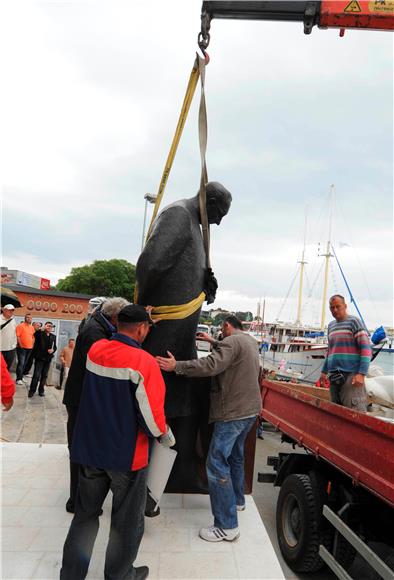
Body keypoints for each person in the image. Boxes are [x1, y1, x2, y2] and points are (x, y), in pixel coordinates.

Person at [60, 304, 173, 580]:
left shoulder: (95, 351)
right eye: (147, 326)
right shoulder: (144, 362)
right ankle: (120, 574)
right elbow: (152, 420)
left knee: (85, 517)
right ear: (141, 329)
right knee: (126, 522)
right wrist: (164, 433)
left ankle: (71, 575)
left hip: (90, 449)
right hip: (126, 456)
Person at [136, 182, 232, 492]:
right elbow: (148, 266)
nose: (218, 222)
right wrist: (144, 315)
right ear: (207, 200)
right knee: (163, 400)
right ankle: (151, 475)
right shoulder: (179, 215)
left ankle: (180, 470)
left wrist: (205, 285)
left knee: (187, 399)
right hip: (165, 331)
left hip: (182, 333)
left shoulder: (198, 228)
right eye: (218, 214)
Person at [157, 315, 261, 542]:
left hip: (232, 412)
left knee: (215, 463)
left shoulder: (231, 342)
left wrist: (177, 366)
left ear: (226, 326)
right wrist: (213, 342)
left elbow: (211, 365)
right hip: (251, 411)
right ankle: (238, 500)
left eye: (222, 332)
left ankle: (227, 525)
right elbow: (230, 350)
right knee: (235, 456)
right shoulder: (249, 341)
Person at [63, 297, 129, 513]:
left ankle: (79, 499)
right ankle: (77, 501)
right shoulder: (94, 332)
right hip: (80, 399)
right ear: (115, 317)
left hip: (80, 397)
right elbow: (104, 359)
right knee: (80, 451)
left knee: (81, 449)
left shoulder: (100, 325)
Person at [319, 295, 372, 412]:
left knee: (355, 413)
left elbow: (366, 349)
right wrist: (323, 372)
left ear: (345, 306)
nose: (335, 310)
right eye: (332, 307)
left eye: (338, 306)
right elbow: (330, 351)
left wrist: (362, 374)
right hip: (334, 377)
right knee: (336, 413)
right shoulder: (331, 326)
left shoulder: (354, 322)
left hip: (351, 377)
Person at [28, 322, 57, 397]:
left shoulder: (53, 336)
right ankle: (32, 390)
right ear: (45, 326)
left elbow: (55, 347)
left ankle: (41, 390)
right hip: (40, 358)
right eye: (48, 326)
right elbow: (35, 334)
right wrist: (42, 329)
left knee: (44, 375)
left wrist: (53, 350)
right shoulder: (40, 334)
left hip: (48, 359)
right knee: (36, 375)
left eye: (51, 326)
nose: (50, 328)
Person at [15, 313, 35, 384]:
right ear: (25, 318)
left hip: (29, 348)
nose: (29, 319)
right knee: (21, 363)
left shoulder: (32, 327)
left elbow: (33, 337)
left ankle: (21, 376)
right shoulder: (20, 326)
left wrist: (32, 345)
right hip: (22, 348)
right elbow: (18, 336)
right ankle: (18, 379)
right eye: (27, 318)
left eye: (30, 318)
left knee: (25, 363)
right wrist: (21, 346)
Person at [1, 304, 17, 370]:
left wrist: (14, 345)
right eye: (9, 310)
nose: (11, 312)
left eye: (12, 310)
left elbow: (14, 333)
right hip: (1, 349)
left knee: (7, 369)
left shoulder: (13, 320)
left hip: (11, 349)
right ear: (4, 310)